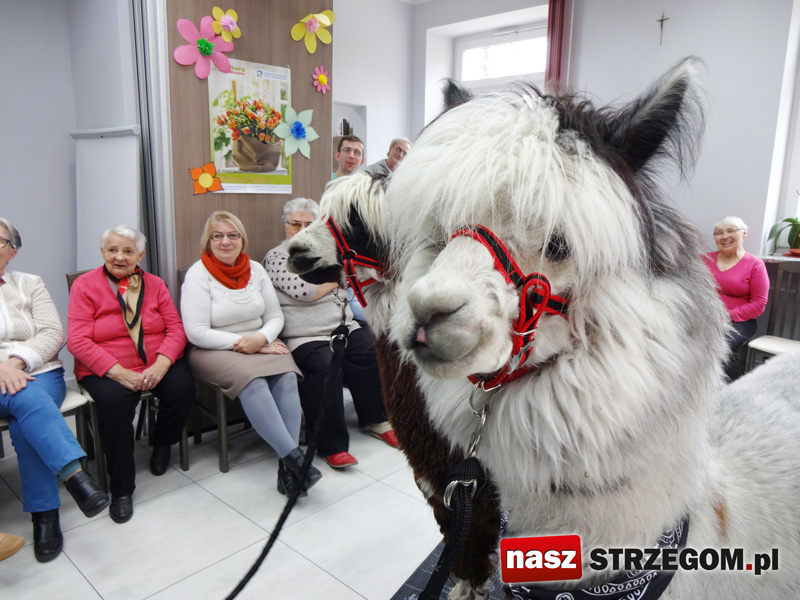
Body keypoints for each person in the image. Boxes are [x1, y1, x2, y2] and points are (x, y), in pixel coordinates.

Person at [181, 211, 321, 497]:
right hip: (213, 347)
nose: (225, 241)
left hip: (261, 340)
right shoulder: (198, 274)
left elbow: (275, 316)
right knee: (253, 381)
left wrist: (262, 338)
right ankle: (297, 460)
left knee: (287, 375)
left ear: (242, 240)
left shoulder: (255, 269)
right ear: (208, 241)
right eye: (217, 236)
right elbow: (197, 332)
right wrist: (250, 343)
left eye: (232, 235)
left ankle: (288, 467)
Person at [67, 226, 193, 524]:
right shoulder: (85, 285)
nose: (119, 257)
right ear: (102, 252)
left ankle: (161, 444)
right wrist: (118, 372)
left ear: (141, 255)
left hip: (154, 360)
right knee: (114, 408)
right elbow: (77, 340)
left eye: (127, 251)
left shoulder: (155, 284)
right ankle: (122, 489)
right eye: (112, 250)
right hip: (106, 367)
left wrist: (162, 363)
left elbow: (176, 329)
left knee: (183, 389)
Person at [0, 217, 108, 562]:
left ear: (13, 251)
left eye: (0, 241)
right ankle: (75, 476)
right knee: (28, 399)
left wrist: (15, 362)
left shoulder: (30, 283)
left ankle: (45, 514)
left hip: (39, 369)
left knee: (25, 414)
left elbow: (52, 333)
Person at [264, 198, 398, 469]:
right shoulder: (277, 257)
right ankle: (332, 445)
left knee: (371, 352)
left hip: (343, 327)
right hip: (305, 335)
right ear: (285, 226)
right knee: (324, 367)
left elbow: (355, 278)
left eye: (309, 224)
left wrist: (341, 275)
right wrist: (339, 277)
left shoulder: (328, 253)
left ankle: (378, 419)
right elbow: (306, 291)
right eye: (296, 224)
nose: (302, 229)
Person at [703, 216, 769, 381]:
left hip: (738, 321)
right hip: (705, 316)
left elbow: (759, 303)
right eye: (719, 233)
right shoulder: (705, 260)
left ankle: (727, 387)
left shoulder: (755, 265)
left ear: (744, 234)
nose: (724, 236)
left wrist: (728, 315)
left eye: (731, 231)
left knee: (723, 346)